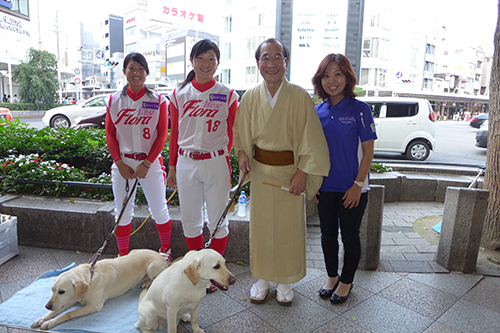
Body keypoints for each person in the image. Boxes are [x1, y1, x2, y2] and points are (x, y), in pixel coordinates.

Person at [233, 38, 330, 305]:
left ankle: (286, 279)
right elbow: (240, 132)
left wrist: (303, 173)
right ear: (257, 63)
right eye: (266, 57)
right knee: (262, 227)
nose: (272, 63)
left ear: (286, 62)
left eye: (278, 57)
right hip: (262, 173)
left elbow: (311, 138)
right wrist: (242, 153)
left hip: (291, 174)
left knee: (288, 229)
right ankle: (262, 278)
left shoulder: (299, 96)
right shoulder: (250, 96)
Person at [167, 39, 238, 272]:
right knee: (190, 221)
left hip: (217, 162)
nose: (205, 64)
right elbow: (175, 133)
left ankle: (215, 271)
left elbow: (233, 131)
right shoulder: (179, 94)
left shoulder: (228, 94)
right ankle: (197, 269)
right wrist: (173, 167)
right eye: (200, 58)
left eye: (211, 59)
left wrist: (223, 155)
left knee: (218, 221)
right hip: (186, 162)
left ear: (218, 64)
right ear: (191, 61)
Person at [312, 53, 377, 304]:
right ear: (320, 80)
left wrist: (357, 185)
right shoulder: (317, 110)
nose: (332, 80)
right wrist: (313, 183)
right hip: (325, 187)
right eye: (326, 75)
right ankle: (331, 277)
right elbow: (312, 151)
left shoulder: (360, 109)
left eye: (338, 74)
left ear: (347, 77)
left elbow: (368, 151)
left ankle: (346, 281)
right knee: (327, 235)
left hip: (353, 187)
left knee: (349, 236)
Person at [105, 52, 172, 261]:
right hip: (122, 163)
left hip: (150, 164)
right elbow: (110, 133)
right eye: (132, 68)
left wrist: (147, 163)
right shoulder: (113, 100)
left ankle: (166, 251)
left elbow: (162, 135)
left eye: (141, 69)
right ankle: (123, 256)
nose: (136, 73)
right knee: (123, 212)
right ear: (124, 71)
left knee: (159, 209)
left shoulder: (158, 100)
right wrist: (119, 162)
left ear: (147, 73)